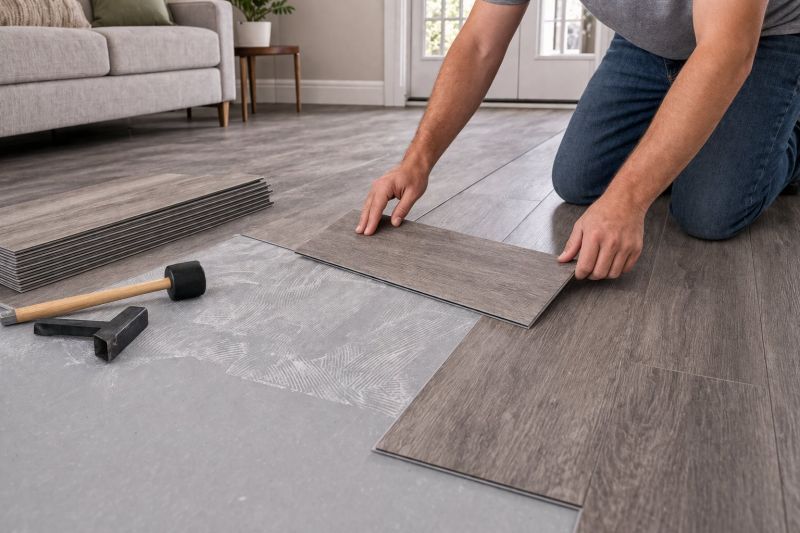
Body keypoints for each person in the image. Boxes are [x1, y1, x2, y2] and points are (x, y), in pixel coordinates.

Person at [356, 0, 800, 280]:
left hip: (762, 38)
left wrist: (629, 200)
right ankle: (689, 132)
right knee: (578, 180)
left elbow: (725, 50)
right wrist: (417, 161)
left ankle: (787, 137)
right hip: (646, 44)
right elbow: (479, 44)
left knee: (708, 212)